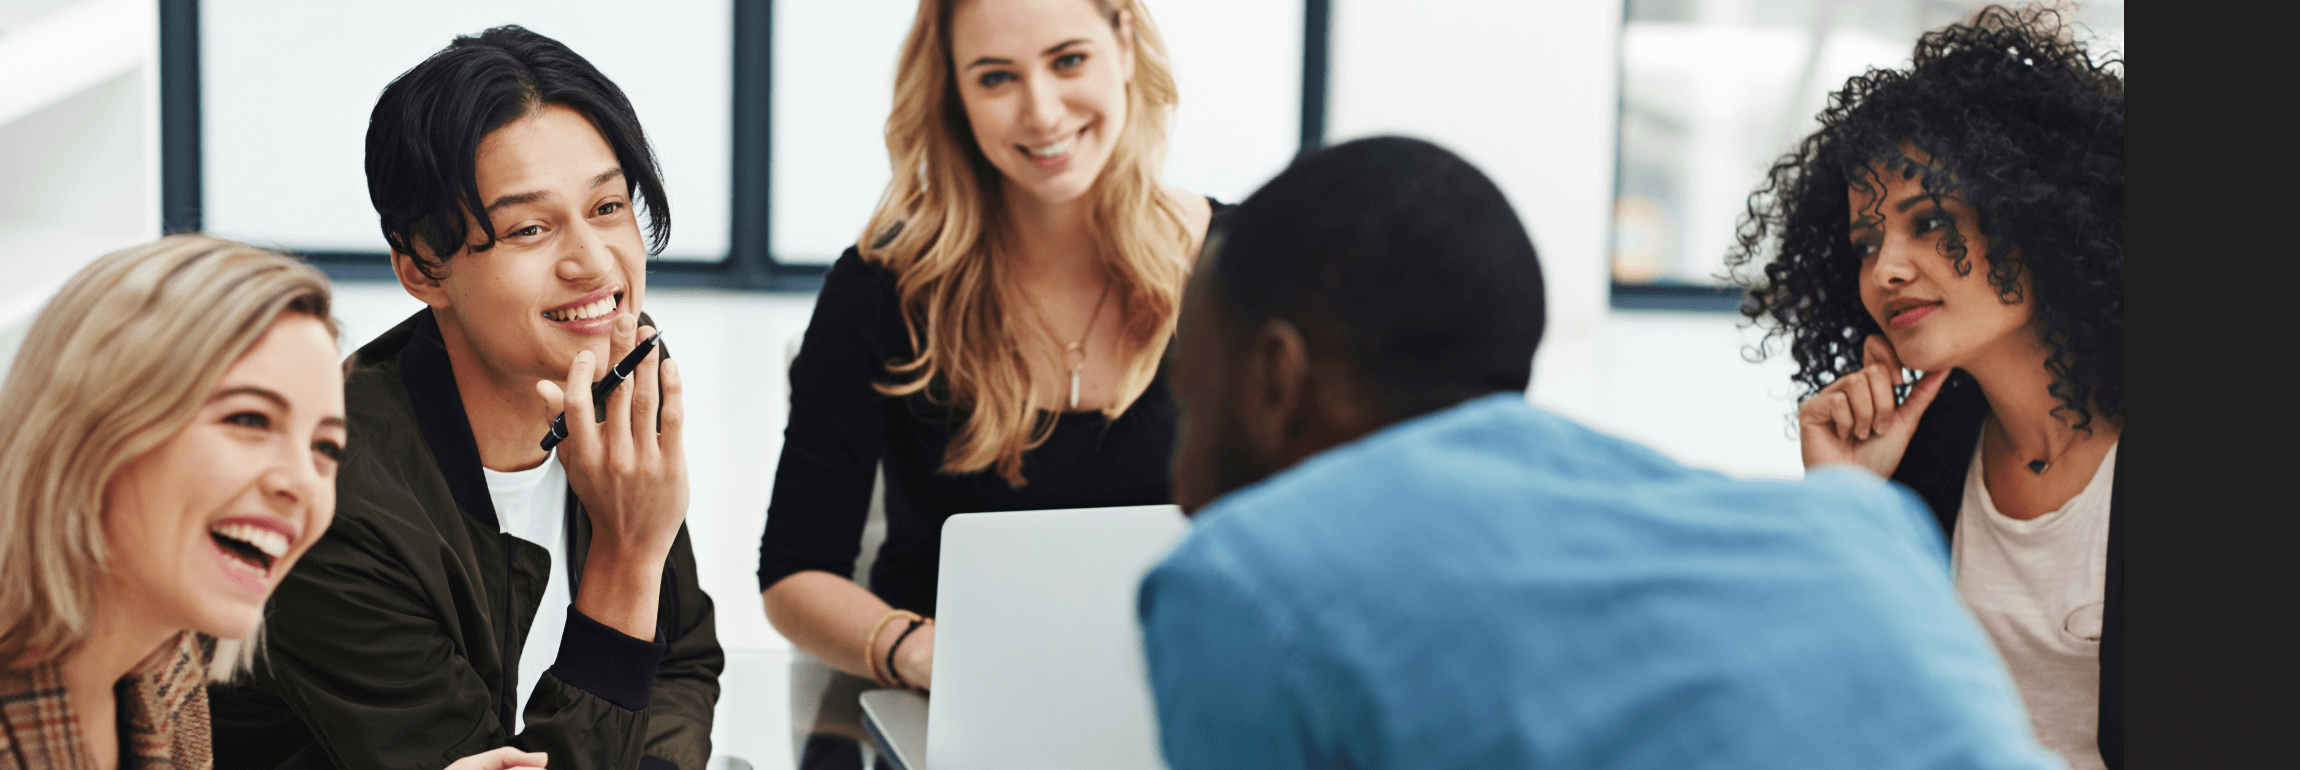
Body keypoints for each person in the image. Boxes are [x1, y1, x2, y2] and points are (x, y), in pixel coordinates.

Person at [1138, 136, 2064, 769]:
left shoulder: (1239, 580)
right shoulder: (1856, 529)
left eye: (1186, 395)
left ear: (1277, 378)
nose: (1178, 477)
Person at [206, 27, 722, 770]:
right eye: (530, 228)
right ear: (423, 268)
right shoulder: (331, 502)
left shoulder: (619, 373)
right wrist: (625, 558)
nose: (592, 262)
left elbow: (680, 663)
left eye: (608, 206)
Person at [757, 0, 1216, 707]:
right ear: (954, 91)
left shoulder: (1243, 272)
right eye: (996, 77)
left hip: (1188, 703)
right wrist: (918, 652)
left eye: (1069, 60)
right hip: (949, 708)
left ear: (1123, 44)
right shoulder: (881, 288)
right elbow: (796, 574)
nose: (1042, 112)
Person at [1726, 7, 2122, 768]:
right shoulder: (1919, 454)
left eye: (1931, 221)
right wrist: (1846, 504)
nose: (1886, 270)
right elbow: (1832, 714)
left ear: (2039, 216)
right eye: (1866, 243)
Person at [0, 236, 543, 770]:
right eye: (249, 419)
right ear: (92, 429)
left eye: (325, 448)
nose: (303, 483)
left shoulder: (164, 667)